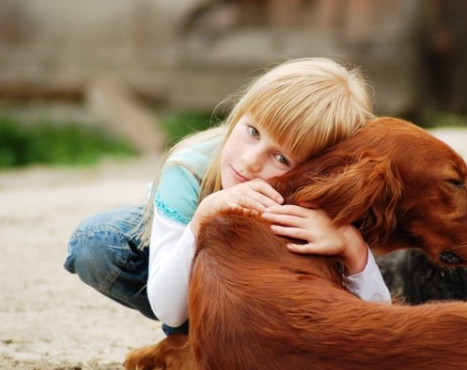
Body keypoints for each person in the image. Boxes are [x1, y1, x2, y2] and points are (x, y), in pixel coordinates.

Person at [64, 57, 391, 336]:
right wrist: (203, 217)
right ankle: (191, 340)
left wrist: (352, 248)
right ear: (238, 114)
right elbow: (168, 309)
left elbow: (377, 323)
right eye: (252, 131)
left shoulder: (318, 198)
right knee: (96, 243)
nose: (250, 161)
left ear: (313, 172)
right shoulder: (188, 170)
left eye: (281, 159)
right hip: (178, 228)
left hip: (259, 290)